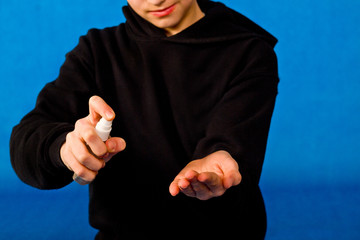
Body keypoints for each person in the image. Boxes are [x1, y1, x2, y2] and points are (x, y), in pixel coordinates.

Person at [10, 0, 279, 239]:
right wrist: (63, 148)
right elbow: (29, 139)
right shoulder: (97, 52)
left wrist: (221, 160)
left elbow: (234, 137)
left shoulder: (249, 52)